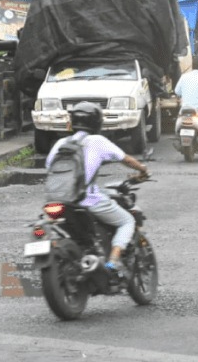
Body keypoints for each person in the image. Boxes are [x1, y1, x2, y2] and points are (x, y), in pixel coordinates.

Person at [44, 102, 149, 280]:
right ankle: (113, 262)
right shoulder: (97, 141)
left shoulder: (61, 143)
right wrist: (143, 170)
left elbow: (49, 166)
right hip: (87, 200)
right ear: (97, 122)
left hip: (57, 201)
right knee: (127, 221)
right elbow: (126, 159)